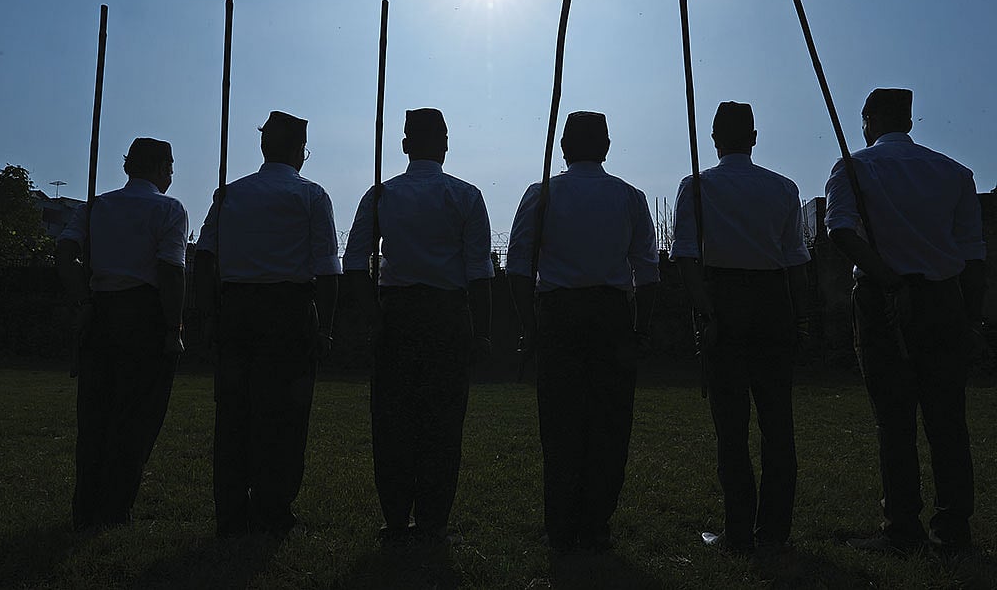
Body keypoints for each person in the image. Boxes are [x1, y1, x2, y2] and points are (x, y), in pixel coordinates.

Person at [826, 88, 986, 555]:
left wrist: (889, 280)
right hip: (943, 300)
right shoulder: (955, 173)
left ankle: (901, 527)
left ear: (867, 120)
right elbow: (974, 256)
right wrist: (973, 319)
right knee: (948, 420)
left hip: (882, 299)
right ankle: (953, 529)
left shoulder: (854, 168)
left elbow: (838, 231)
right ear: (909, 122)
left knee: (894, 419)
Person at [507, 110, 659, 553]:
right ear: (607, 147)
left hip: (558, 314)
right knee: (610, 422)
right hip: (612, 317)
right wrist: (641, 329)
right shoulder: (629, 196)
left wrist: (530, 326)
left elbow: (518, 267)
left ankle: (561, 524)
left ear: (563, 148)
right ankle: (596, 522)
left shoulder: (542, 194)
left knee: (559, 424)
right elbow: (647, 272)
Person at [342, 107, 494, 548]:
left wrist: (372, 315)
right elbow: (480, 273)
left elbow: (354, 262)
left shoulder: (382, 196)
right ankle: (432, 520)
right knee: (443, 422)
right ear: (445, 144)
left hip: (397, 313)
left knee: (392, 419)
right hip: (447, 316)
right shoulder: (465, 196)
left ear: (405, 144)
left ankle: (395, 517)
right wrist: (481, 332)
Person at [671, 102, 810, 556]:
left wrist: (706, 312)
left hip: (724, 299)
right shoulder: (783, 188)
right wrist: (801, 318)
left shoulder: (696, 187)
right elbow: (796, 263)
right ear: (754, 137)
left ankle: (738, 532)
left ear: (714, 138)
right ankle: (774, 529)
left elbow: (686, 257)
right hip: (773, 302)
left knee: (730, 426)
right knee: (778, 423)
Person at [195, 110, 340, 538]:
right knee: (285, 415)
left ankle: (231, 515)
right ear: (300, 151)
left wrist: (207, 315)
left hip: (236, 309)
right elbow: (327, 269)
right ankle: (273, 512)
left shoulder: (230, 195)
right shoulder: (312, 197)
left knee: (234, 414)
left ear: (263, 145)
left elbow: (204, 257)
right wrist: (326, 326)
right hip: (289, 311)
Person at [56, 137, 188, 531]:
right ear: (163, 168)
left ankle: (85, 506)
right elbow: (171, 270)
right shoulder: (169, 209)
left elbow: (65, 253)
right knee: (137, 415)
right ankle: (115, 508)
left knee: (94, 413)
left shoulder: (97, 205)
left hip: (101, 310)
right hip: (144, 315)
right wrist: (173, 326)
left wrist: (83, 301)